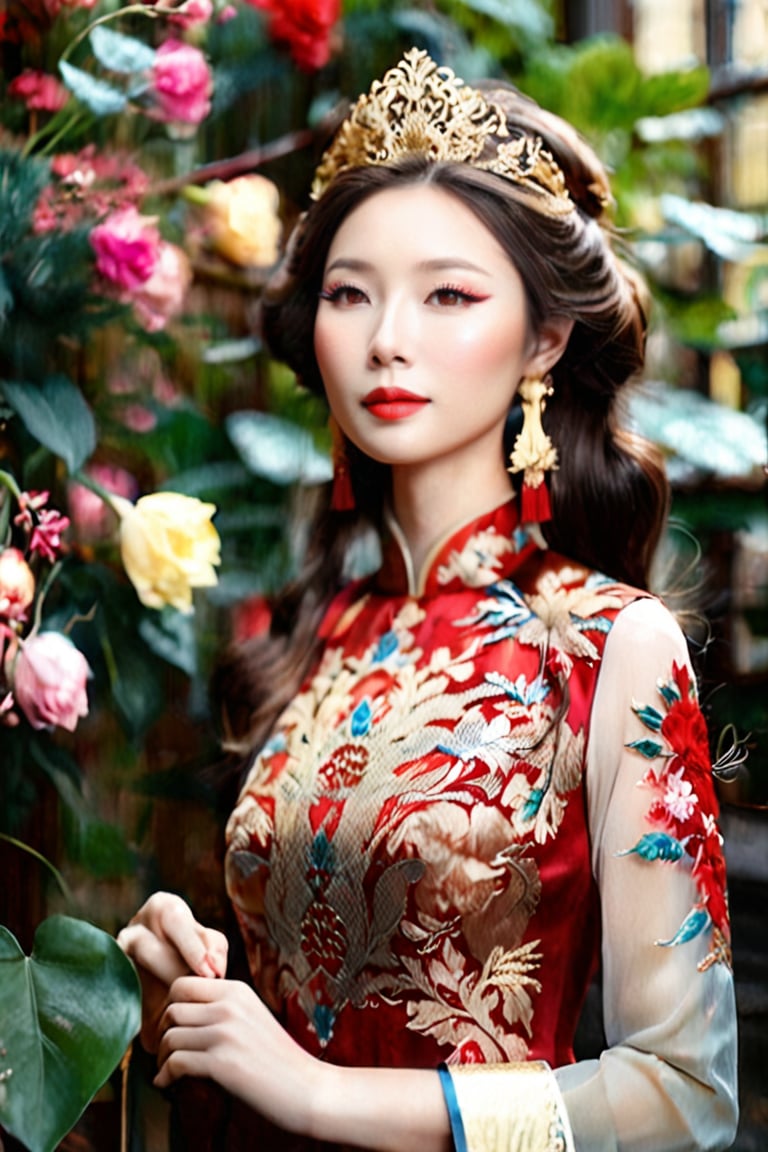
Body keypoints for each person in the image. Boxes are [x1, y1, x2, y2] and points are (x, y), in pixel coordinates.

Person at [118, 48, 739, 1152]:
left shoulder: (610, 643)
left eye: (447, 293)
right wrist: (197, 1000)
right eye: (349, 294)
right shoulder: (320, 633)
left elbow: (683, 1097)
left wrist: (316, 1093)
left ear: (545, 337)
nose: (385, 338)